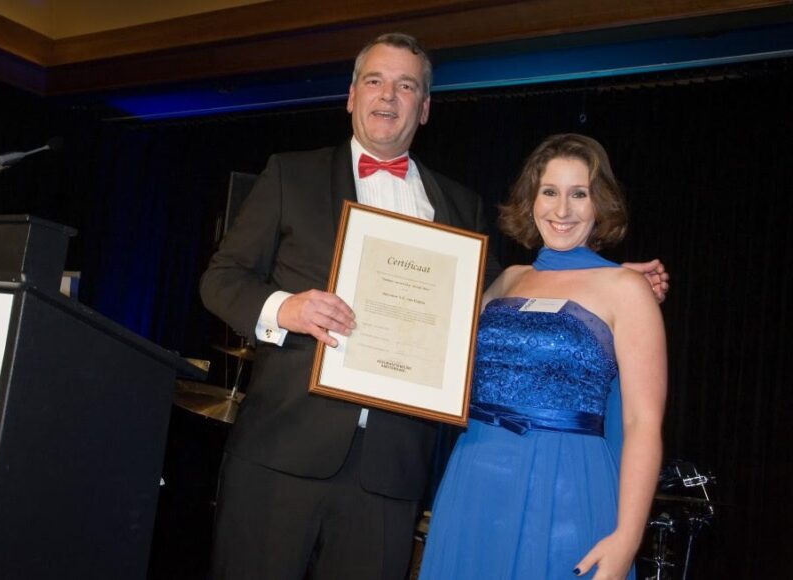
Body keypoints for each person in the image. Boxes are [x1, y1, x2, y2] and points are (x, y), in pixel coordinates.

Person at [201, 32, 667, 579]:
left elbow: (504, 302)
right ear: (351, 95)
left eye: (406, 86)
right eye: (375, 81)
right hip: (281, 454)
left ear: (424, 108)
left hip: (392, 476)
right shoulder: (289, 174)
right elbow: (220, 279)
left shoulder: (459, 205)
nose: (388, 96)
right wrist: (286, 310)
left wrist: (607, 280)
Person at [419, 133, 667, 580]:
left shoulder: (628, 291)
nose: (562, 210)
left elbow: (642, 423)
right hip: (475, 476)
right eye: (549, 192)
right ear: (531, 199)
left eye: (579, 194)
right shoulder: (507, 281)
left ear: (601, 203)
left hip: (567, 487)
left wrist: (628, 538)